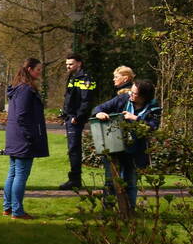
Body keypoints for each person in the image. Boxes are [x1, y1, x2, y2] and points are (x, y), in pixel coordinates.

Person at [92, 79, 161, 210]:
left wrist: (135, 118)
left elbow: (153, 127)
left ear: (143, 97)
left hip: (136, 149)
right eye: (131, 91)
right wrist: (99, 113)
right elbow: (100, 107)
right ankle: (108, 211)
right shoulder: (123, 99)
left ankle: (129, 212)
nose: (130, 94)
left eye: (134, 93)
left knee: (131, 181)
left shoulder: (153, 107)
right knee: (111, 180)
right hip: (113, 145)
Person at [3, 58, 49, 219]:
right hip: (22, 138)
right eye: (37, 70)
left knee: (13, 172)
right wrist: (31, 136)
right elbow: (22, 115)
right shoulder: (25, 90)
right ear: (29, 69)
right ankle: (17, 210)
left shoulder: (18, 88)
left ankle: (8, 207)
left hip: (15, 136)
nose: (39, 73)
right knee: (20, 174)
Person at [59, 53, 95, 190]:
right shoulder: (73, 77)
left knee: (74, 149)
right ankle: (74, 178)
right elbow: (70, 98)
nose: (68, 66)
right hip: (70, 116)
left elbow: (86, 100)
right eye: (67, 64)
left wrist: (78, 116)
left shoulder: (85, 78)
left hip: (75, 119)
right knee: (72, 148)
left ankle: (75, 180)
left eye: (71, 64)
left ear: (79, 63)